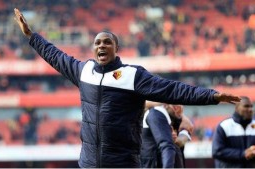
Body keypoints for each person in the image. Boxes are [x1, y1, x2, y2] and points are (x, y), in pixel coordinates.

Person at [13, 8, 241, 168]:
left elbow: (172, 89)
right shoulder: (84, 71)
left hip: (123, 164)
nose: (101, 45)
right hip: (89, 164)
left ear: (116, 47)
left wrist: (212, 96)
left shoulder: (133, 76)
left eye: (106, 42)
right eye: (97, 43)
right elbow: (56, 56)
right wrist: (31, 36)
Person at [141, 103, 193, 168]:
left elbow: (185, 134)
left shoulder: (179, 120)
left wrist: (177, 139)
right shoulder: (155, 114)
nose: (179, 107)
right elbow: (167, 146)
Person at [212, 96, 255, 168]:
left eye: (251, 106)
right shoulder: (224, 126)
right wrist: (243, 154)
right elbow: (217, 151)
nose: (250, 109)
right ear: (237, 108)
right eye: (246, 106)